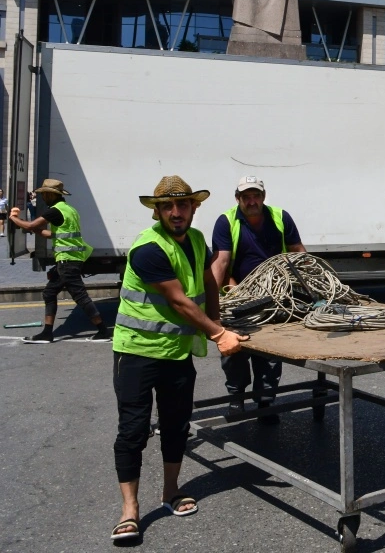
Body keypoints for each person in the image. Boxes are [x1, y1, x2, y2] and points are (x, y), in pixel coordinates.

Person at [110, 176, 246, 544]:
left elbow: (209, 284)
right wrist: (219, 335)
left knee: (175, 425)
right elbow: (179, 301)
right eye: (167, 206)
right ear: (156, 211)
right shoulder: (148, 249)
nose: (175, 212)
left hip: (176, 354)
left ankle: (170, 491)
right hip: (137, 353)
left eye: (182, 204)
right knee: (134, 431)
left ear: (194, 208)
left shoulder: (198, 241)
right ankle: (130, 511)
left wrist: (219, 321)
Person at [211, 176, 305, 423]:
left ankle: (265, 402)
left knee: (270, 354)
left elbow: (298, 252)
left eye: (256, 196)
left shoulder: (280, 217)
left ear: (263, 197)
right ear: (238, 198)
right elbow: (221, 261)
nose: (252, 201)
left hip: (275, 298)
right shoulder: (226, 221)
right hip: (238, 295)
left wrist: (312, 286)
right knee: (235, 349)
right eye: (246, 197)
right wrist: (213, 301)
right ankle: (236, 398)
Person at [9, 178, 110, 343]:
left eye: (43, 194)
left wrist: (13, 219)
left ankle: (103, 330)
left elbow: (30, 226)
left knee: (80, 296)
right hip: (73, 258)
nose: (42, 197)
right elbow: (56, 235)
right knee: (49, 293)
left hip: (67, 261)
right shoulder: (69, 209)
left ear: (50, 194)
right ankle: (47, 333)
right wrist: (37, 230)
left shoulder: (54, 211)